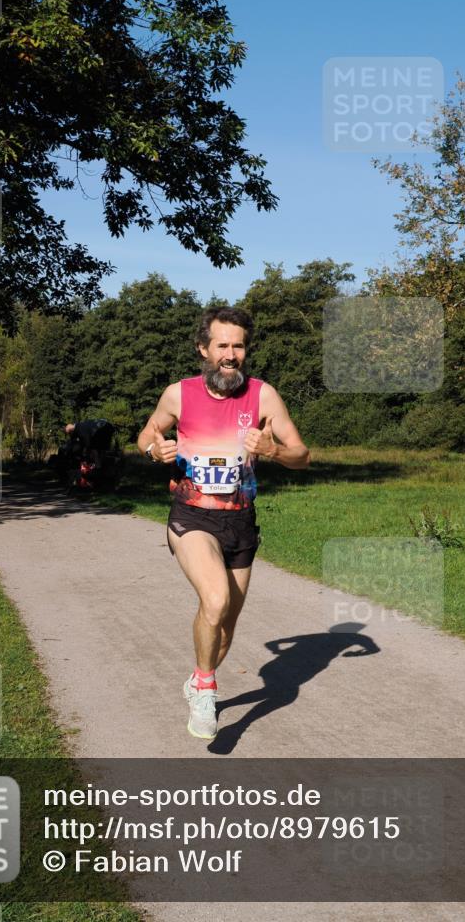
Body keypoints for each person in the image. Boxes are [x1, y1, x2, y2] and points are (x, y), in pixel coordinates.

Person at [137, 306, 310, 740]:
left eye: (238, 346)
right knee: (214, 600)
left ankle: (199, 678)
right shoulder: (179, 394)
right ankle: (206, 690)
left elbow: (302, 456)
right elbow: (148, 434)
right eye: (222, 345)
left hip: (241, 523)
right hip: (191, 516)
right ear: (204, 349)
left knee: (225, 628)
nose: (230, 354)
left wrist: (273, 451)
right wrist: (153, 452)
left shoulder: (263, 396)